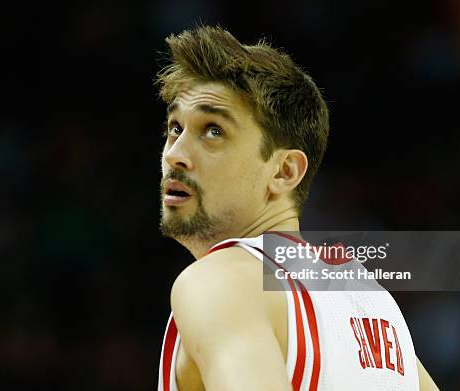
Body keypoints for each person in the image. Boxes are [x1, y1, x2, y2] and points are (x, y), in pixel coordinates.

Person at [156, 25, 439, 391]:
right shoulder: (376, 308)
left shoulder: (220, 280)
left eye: (214, 131)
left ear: (284, 171)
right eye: (175, 128)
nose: (175, 154)